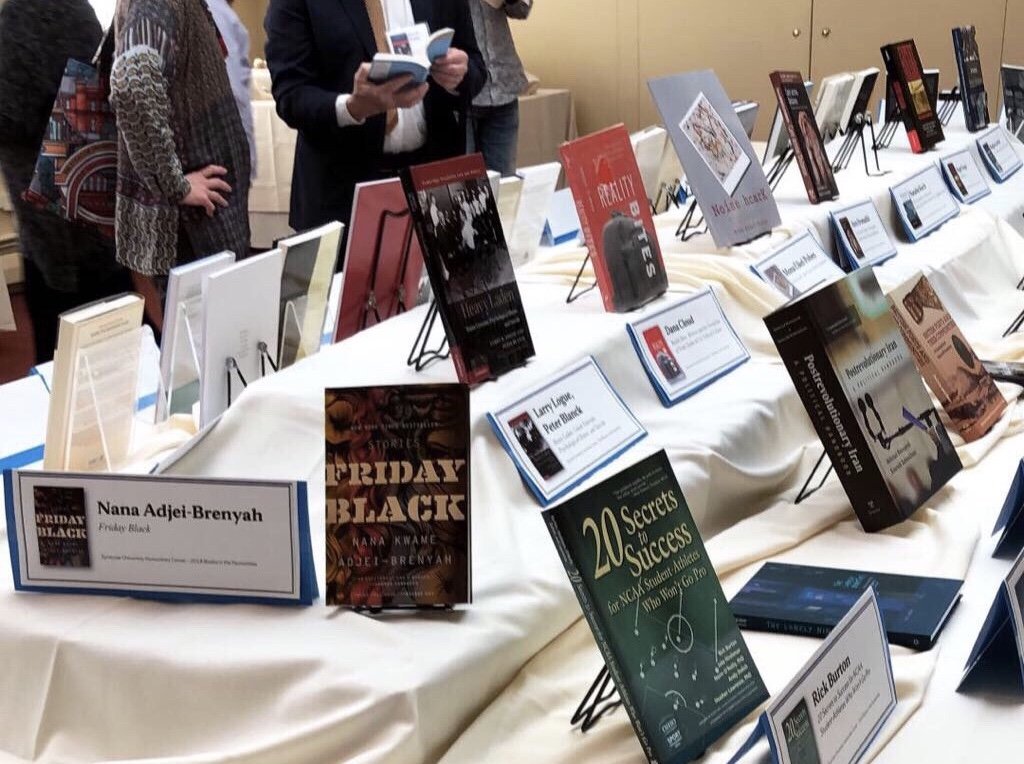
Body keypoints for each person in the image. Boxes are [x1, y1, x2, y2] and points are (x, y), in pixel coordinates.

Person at [264, 0, 486, 244]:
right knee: (350, 283)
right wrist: (351, 107)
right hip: (343, 193)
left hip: (439, 182)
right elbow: (291, 95)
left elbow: (476, 65)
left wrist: (460, 73)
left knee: (474, 278)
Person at [0, 0, 131, 362]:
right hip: (95, 201)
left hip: (56, 221)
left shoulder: (22, 16)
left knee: (66, 356)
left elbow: (9, 119)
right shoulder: (78, 10)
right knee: (115, 345)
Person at [110, 0, 252, 327]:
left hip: (203, 224)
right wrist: (175, 183)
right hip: (196, 230)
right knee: (205, 359)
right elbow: (132, 82)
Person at [467, 0, 532, 176]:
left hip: (503, 84)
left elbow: (522, 10)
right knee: (463, 190)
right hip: (459, 90)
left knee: (505, 189)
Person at [206, 0, 257, 173]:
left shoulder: (220, 11)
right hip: (220, 159)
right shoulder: (211, 11)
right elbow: (230, 91)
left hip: (226, 156)